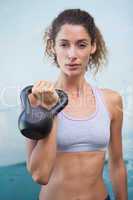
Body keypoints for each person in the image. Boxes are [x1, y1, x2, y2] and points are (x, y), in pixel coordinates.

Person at [25, 9, 128, 200]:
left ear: (93, 47)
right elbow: (40, 174)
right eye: (64, 44)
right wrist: (52, 109)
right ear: (52, 47)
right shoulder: (35, 100)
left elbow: (116, 163)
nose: (72, 54)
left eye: (81, 45)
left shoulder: (111, 101)